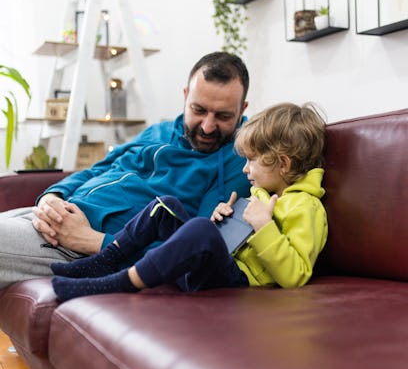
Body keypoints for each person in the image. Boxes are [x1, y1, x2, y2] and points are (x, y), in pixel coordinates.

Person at [0, 52, 251, 289]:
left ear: (242, 109)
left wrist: (94, 241)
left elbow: (196, 250)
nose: (207, 127)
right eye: (199, 110)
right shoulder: (159, 131)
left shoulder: (241, 160)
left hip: (76, 246)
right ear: (185, 96)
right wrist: (52, 196)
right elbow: (98, 169)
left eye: (223, 116)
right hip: (55, 214)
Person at [51, 102, 329, 301]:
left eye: (252, 160)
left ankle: (115, 283)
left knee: (200, 230)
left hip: (241, 283)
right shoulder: (262, 194)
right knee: (165, 205)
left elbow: (295, 274)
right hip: (221, 267)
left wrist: (264, 226)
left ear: (283, 163)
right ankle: (104, 261)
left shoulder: (307, 207)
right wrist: (224, 220)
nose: (245, 169)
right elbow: (231, 241)